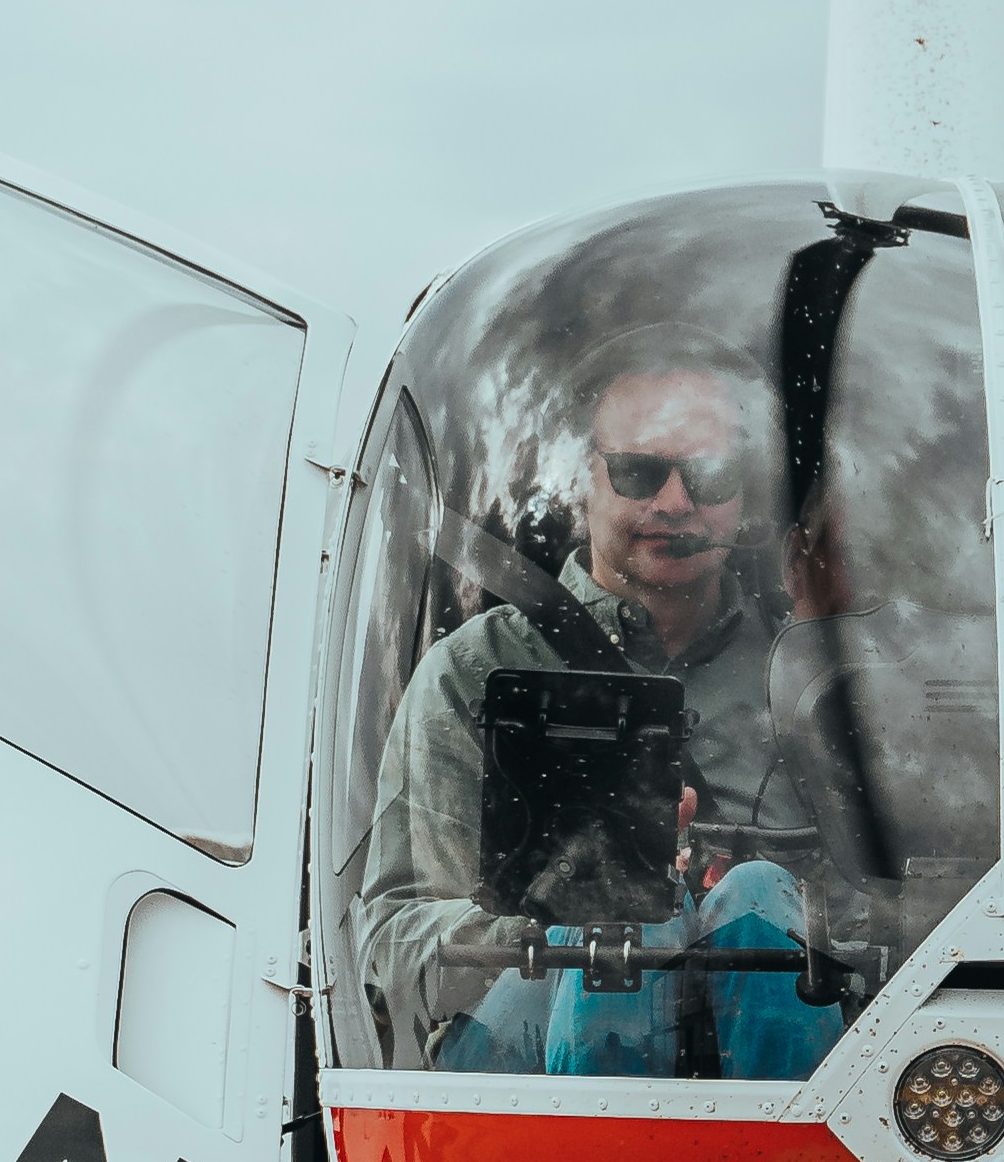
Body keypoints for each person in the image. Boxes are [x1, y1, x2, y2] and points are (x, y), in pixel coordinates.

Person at [362, 355, 869, 1081]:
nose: (674, 502)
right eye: (638, 473)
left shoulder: (809, 674)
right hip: (532, 1079)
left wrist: (745, 898)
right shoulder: (476, 670)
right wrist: (571, 903)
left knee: (758, 893)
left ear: (741, 500)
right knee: (622, 911)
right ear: (583, 479)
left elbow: (900, 908)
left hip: (793, 1076)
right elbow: (394, 940)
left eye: (709, 475)